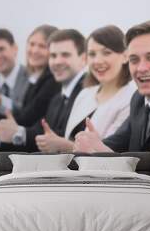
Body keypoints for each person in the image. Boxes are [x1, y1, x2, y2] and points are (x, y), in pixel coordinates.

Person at [74, 20, 150, 180]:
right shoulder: (138, 99)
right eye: (134, 60)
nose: (141, 68)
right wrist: (91, 142)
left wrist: (101, 153)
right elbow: (115, 143)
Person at [0, 29, 87, 152]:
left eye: (65, 55)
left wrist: (18, 132)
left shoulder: (85, 94)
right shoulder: (58, 98)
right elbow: (41, 132)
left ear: (83, 59)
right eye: (53, 55)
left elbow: (31, 124)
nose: (57, 61)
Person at [35, 25, 136, 153]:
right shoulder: (85, 94)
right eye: (92, 54)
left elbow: (110, 150)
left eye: (106, 53)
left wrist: (63, 145)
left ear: (125, 56)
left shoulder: (132, 98)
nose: (98, 61)